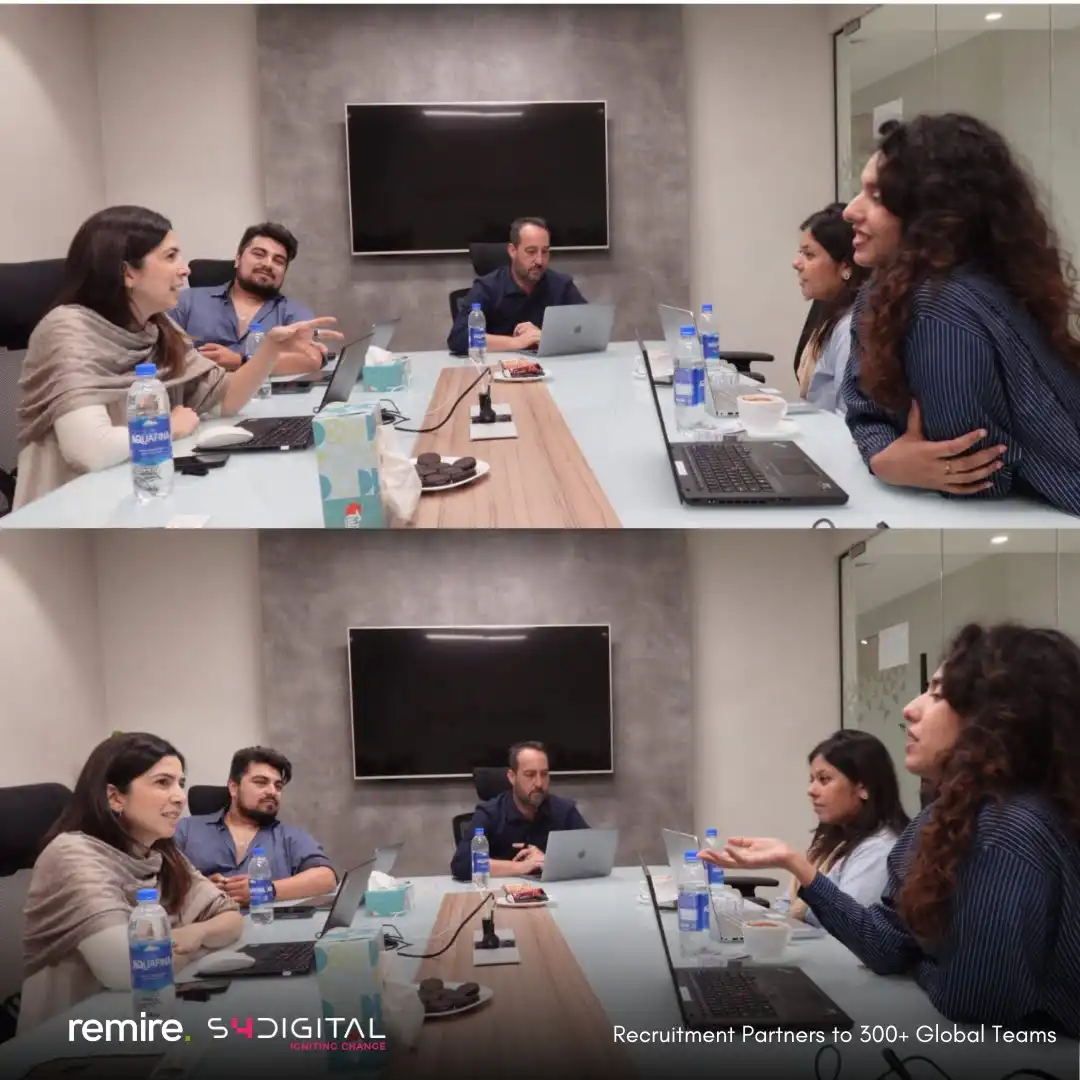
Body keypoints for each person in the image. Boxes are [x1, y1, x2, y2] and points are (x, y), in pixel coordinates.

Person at [702, 622, 1080, 1036]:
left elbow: (973, 1002)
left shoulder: (1006, 829)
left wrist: (915, 962)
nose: (910, 708)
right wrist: (796, 864)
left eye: (937, 694)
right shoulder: (941, 819)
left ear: (992, 718)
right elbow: (885, 945)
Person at [14, 206, 340, 510]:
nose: (186, 270)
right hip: (71, 508)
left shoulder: (158, 327)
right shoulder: (68, 328)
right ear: (127, 272)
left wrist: (269, 349)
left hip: (139, 490)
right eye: (171, 256)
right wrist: (169, 426)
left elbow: (225, 399)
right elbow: (90, 450)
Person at [838, 113, 1080, 515]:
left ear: (932, 214)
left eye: (877, 197)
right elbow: (861, 408)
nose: (849, 211)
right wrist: (884, 457)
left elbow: (977, 476)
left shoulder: (940, 308)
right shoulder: (885, 293)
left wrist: (894, 461)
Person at [18, 733, 243, 1034]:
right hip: (71, 1039)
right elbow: (129, 971)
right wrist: (200, 946)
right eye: (163, 782)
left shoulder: (161, 853)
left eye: (181, 783)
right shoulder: (71, 853)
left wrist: (196, 932)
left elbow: (231, 917)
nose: (180, 797)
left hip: (143, 1021)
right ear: (115, 797)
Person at [770, 730, 908, 926]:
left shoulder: (881, 849)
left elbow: (847, 926)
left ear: (863, 787)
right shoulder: (830, 841)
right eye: (812, 780)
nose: (811, 790)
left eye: (824, 779)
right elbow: (785, 904)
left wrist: (793, 863)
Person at [175, 746, 336, 905]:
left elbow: (327, 878)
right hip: (207, 920)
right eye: (261, 783)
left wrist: (266, 890)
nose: (272, 791)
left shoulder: (290, 837)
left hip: (267, 920)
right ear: (234, 787)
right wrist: (200, 890)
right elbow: (161, 881)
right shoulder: (186, 830)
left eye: (278, 786)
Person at [170, 222, 318, 374]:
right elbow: (159, 355)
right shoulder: (186, 301)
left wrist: (240, 361)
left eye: (278, 261)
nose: (268, 264)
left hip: (263, 389)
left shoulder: (293, 313)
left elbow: (311, 360)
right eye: (259, 254)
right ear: (238, 259)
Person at [446, 217, 586, 355]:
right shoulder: (487, 287)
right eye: (531, 251)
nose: (539, 260)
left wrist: (546, 337)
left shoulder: (561, 284)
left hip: (551, 366)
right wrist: (516, 342)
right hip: (499, 366)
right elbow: (459, 337)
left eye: (545, 251)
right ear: (513, 251)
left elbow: (588, 329)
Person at [450, 741, 589, 880]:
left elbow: (591, 856)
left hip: (553, 890)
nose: (539, 783)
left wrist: (549, 861)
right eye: (530, 775)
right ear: (512, 777)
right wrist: (522, 867)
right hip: (502, 891)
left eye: (544, 774)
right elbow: (462, 864)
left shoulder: (564, 810)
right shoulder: (490, 813)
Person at [792, 204, 867, 414]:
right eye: (800, 253)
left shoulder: (850, 328)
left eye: (809, 255)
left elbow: (849, 418)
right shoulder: (830, 314)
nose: (796, 263)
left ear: (845, 267)